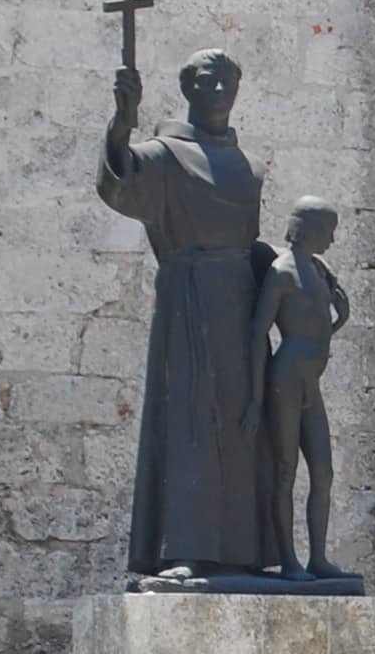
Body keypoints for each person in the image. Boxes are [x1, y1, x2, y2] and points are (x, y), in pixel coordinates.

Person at [97, 48, 278, 580]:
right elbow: (120, 181)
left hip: (242, 306)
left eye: (227, 81)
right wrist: (122, 121)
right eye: (206, 80)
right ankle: (186, 549)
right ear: (187, 89)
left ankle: (248, 553)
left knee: (247, 425)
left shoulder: (251, 166)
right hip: (189, 298)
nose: (218, 90)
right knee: (191, 423)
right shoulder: (163, 155)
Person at [242, 197, 352, 581]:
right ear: (309, 229)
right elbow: (259, 333)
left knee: (323, 471)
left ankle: (317, 557)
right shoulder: (281, 272)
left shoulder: (319, 269)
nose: (333, 241)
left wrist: (341, 316)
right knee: (286, 469)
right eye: (329, 232)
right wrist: (256, 399)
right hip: (285, 379)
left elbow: (323, 327)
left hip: (311, 382)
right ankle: (288, 559)